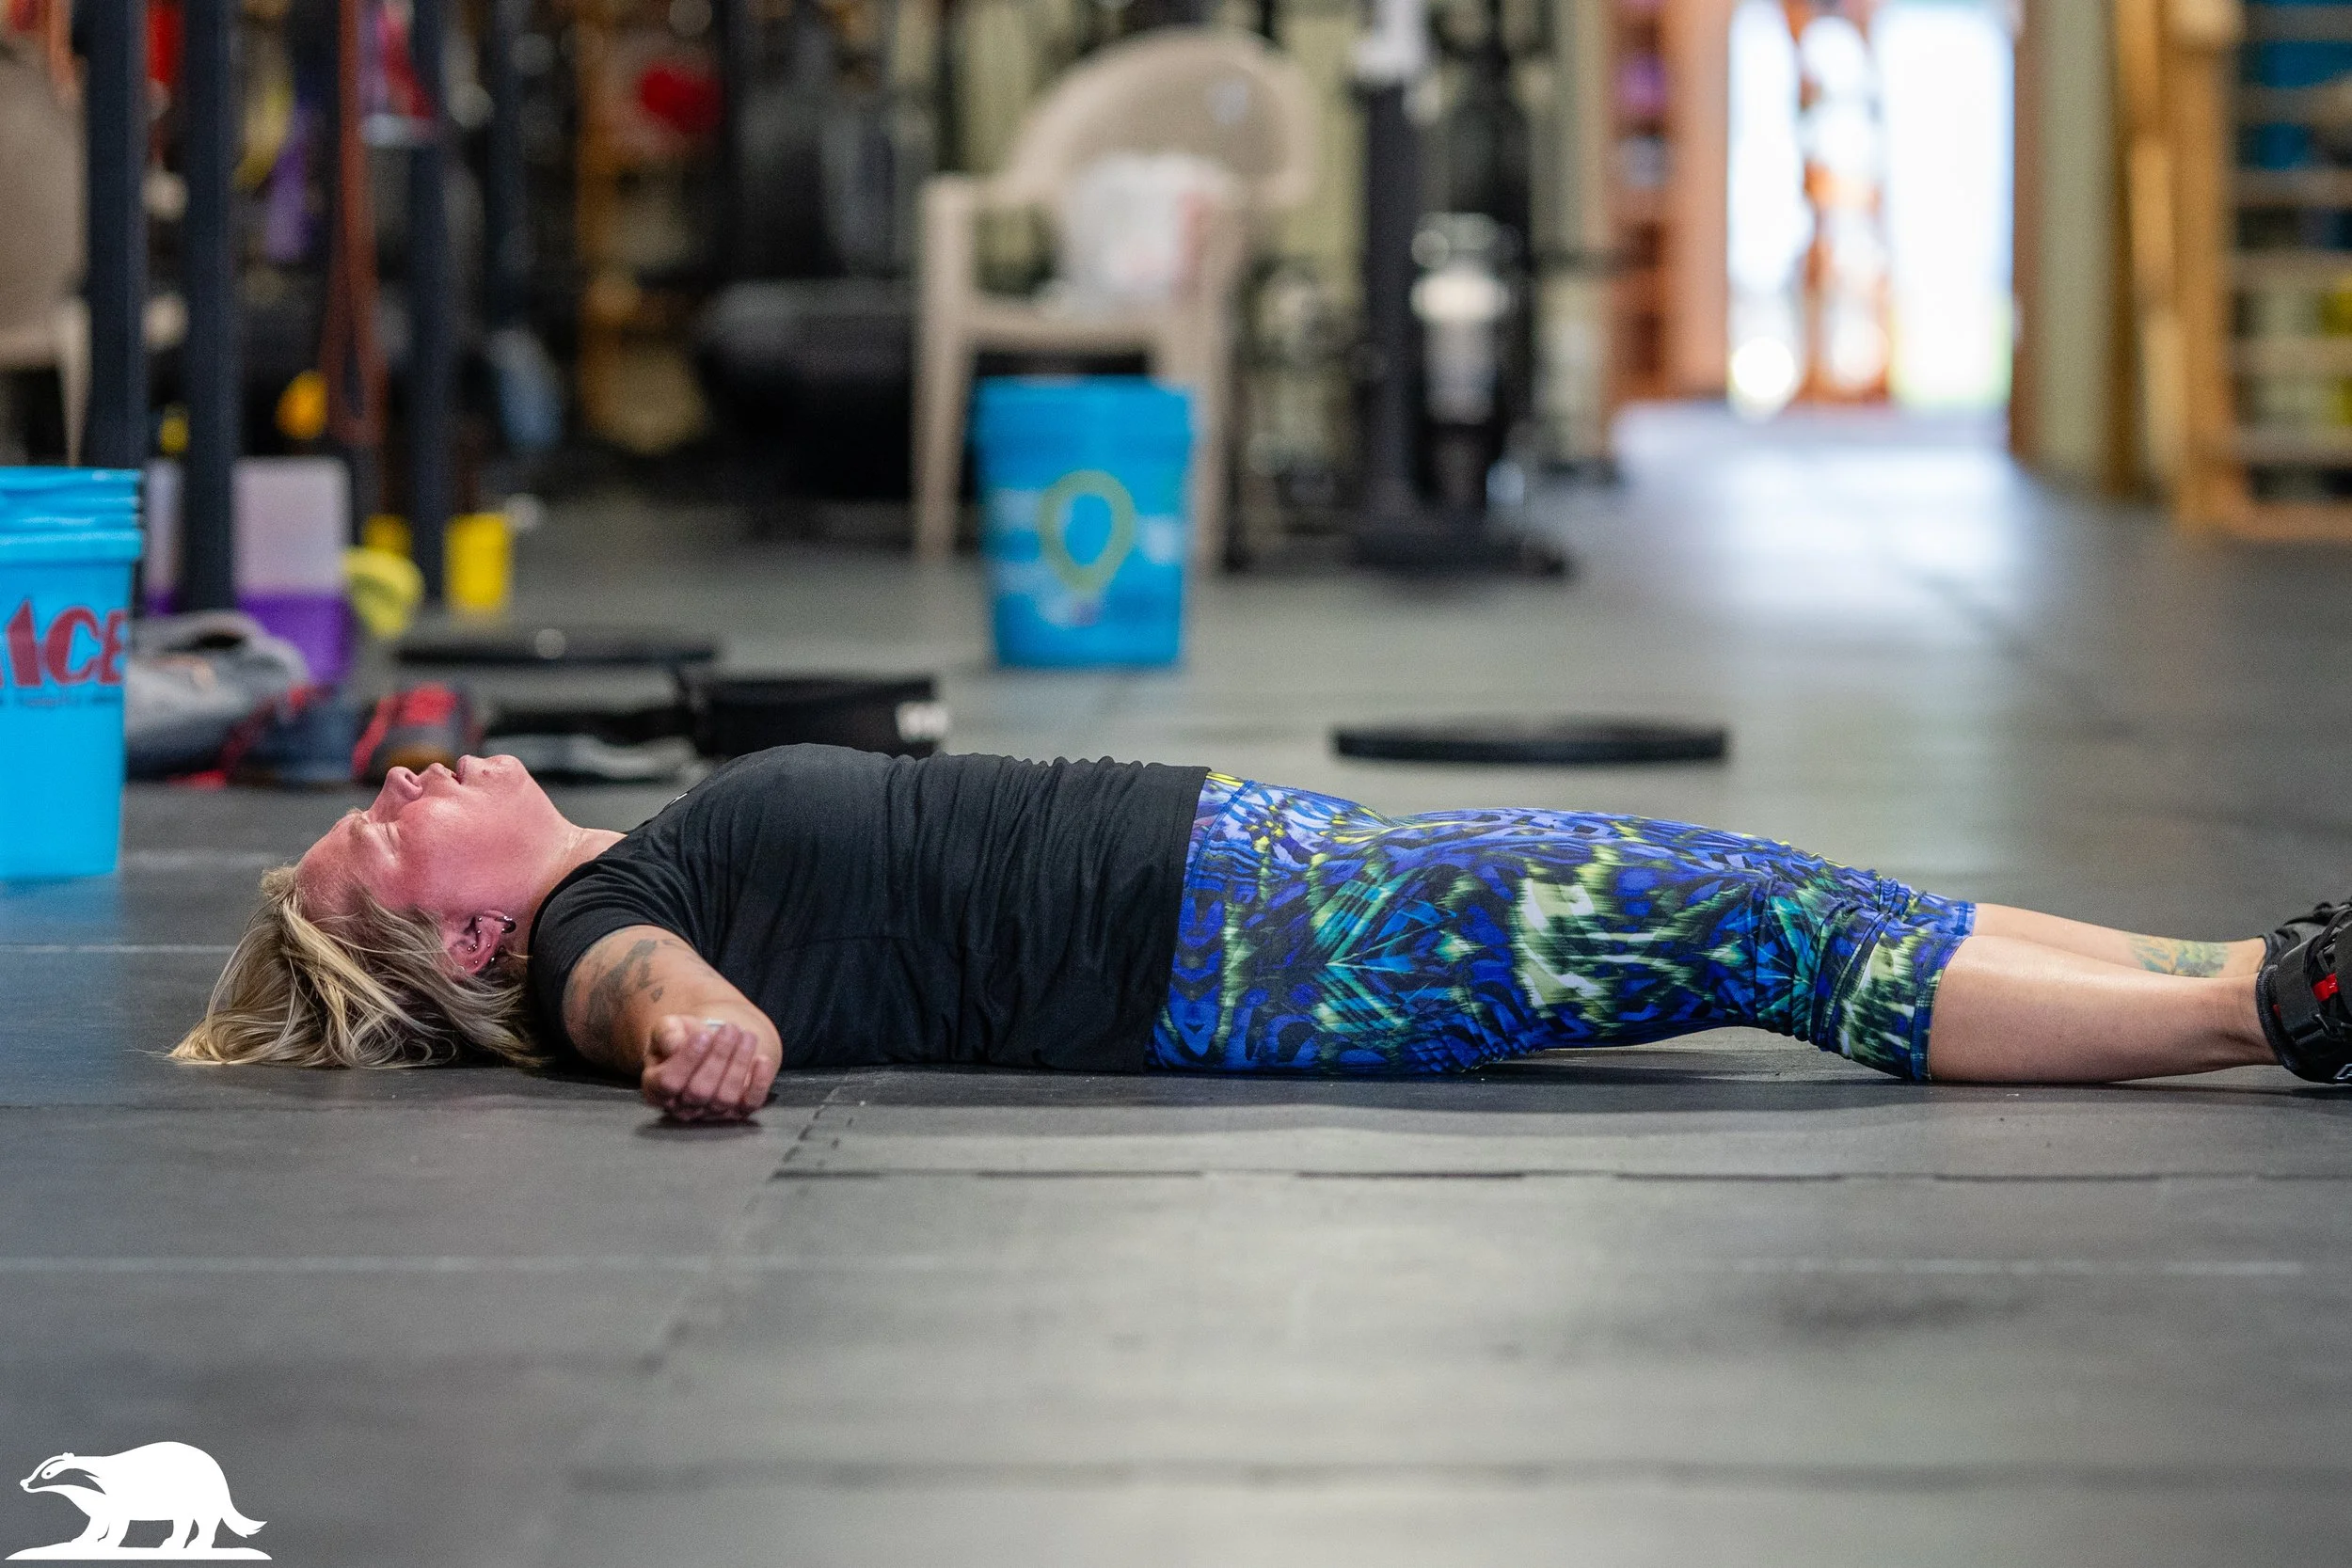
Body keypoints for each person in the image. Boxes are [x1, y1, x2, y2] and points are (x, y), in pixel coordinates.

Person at [173, 747, 2352, 1121]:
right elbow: (649, 996)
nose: (392, 794)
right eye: (377, 846)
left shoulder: (624, 846)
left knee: (1810, 898)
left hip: (1277, 882)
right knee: (1789, 945)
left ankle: (2230, 962)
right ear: (461, 956)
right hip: (1266, 939)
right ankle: (2275, 1009)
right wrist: (702, 1028)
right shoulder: (601, 924)